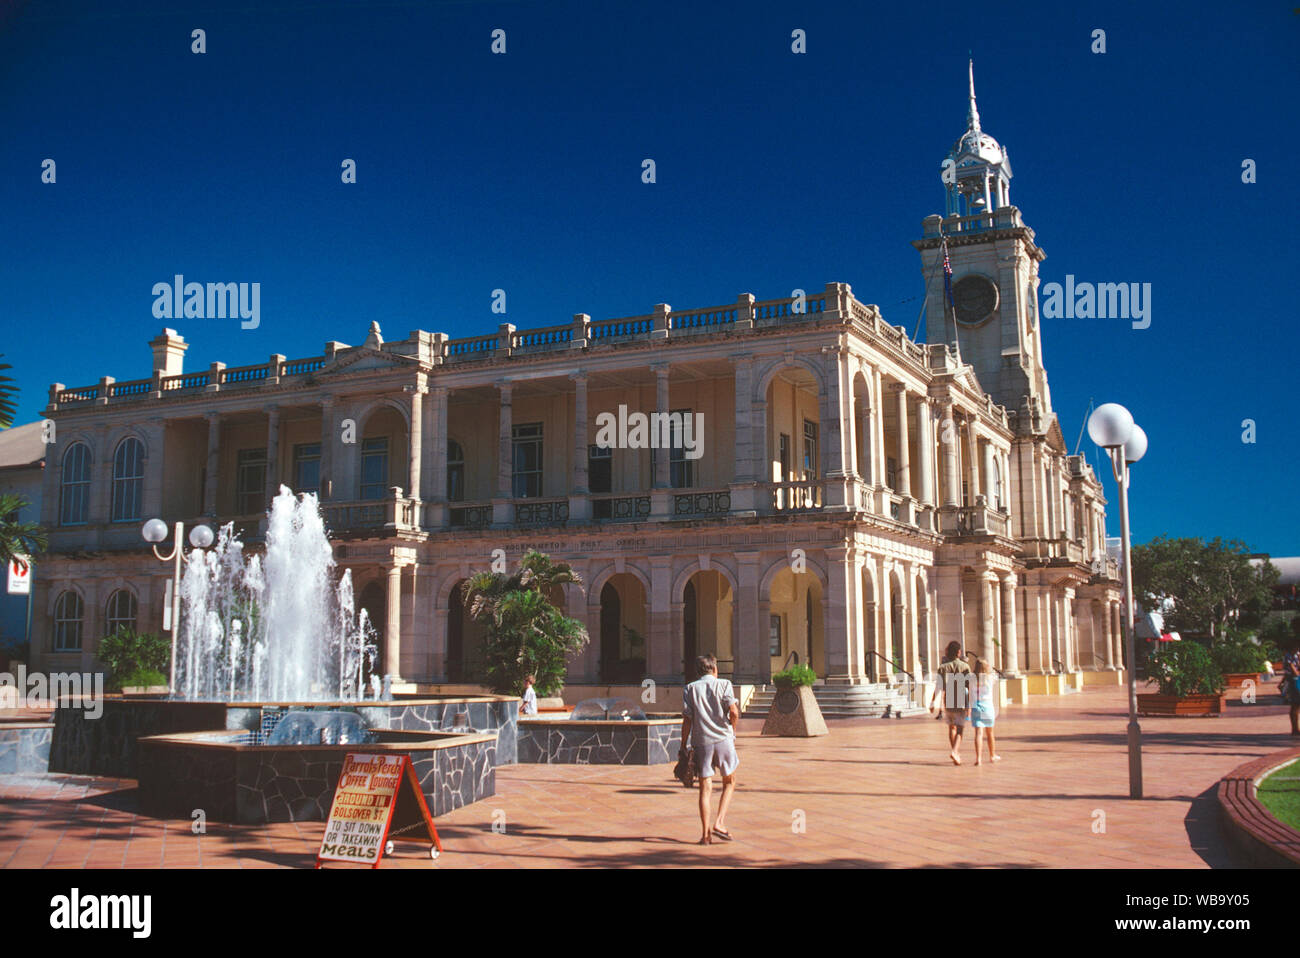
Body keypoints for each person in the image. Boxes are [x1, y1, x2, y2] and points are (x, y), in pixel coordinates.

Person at [680, 654, 739, 845]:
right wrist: (733, 730)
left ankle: (705, 835)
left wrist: (683, 745)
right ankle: (720, 822)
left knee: (705, 788)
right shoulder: (724, 684)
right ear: (714, 669)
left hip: (702, 741)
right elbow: (734, 711)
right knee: (729, 781)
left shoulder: (690, 688)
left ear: (697, 672)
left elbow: (687, 719)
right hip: (723, 738)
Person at [929, 641, 972, 765]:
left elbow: (938, 686)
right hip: (960, 700)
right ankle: (955, 751)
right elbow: (969, 687)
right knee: (960, 729)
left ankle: (956, 754)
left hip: (948, 700)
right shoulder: (965, 667)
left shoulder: (942, 668)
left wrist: (932, 702)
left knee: (951, 727)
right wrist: (969, 704)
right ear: (958, 652)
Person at [969, 660, 1001, 764]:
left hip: (975, 707)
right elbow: (996, 677)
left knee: (978, 733)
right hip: (987, 707)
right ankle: (992, 755)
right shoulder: (990, 678)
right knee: (990, 733)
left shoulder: (971, 678)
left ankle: (978, 758)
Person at [1283, 643, 1300, 736]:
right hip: (1294, 681)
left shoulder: (1297, 654)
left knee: (1297, 706)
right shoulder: (1288, 656)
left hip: (1297, 680)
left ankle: (1296, 728)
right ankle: (1294, 729)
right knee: (1295, 705)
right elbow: (1293, 670)